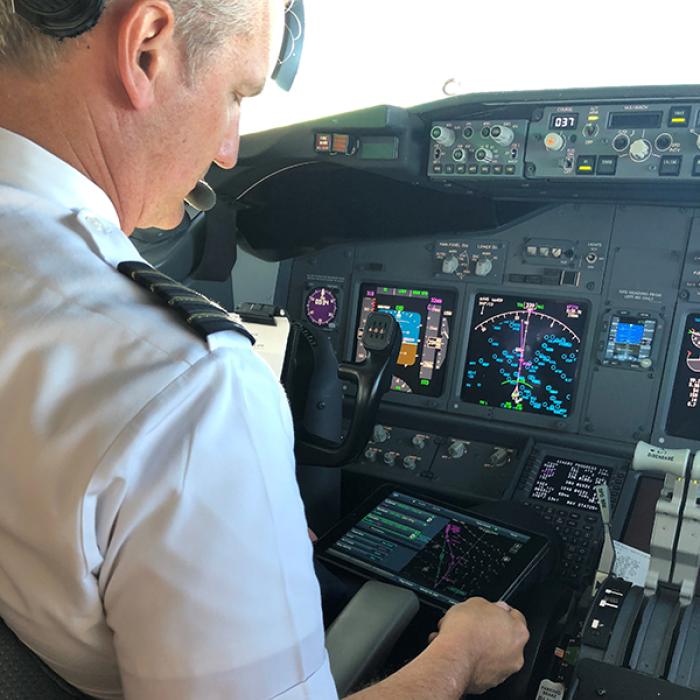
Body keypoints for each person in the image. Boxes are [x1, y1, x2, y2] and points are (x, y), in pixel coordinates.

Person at [0, 0, 529, 698]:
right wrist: (459, 659)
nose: (228, 150)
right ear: (146, 50)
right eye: (237, 94)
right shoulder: (189, 388)